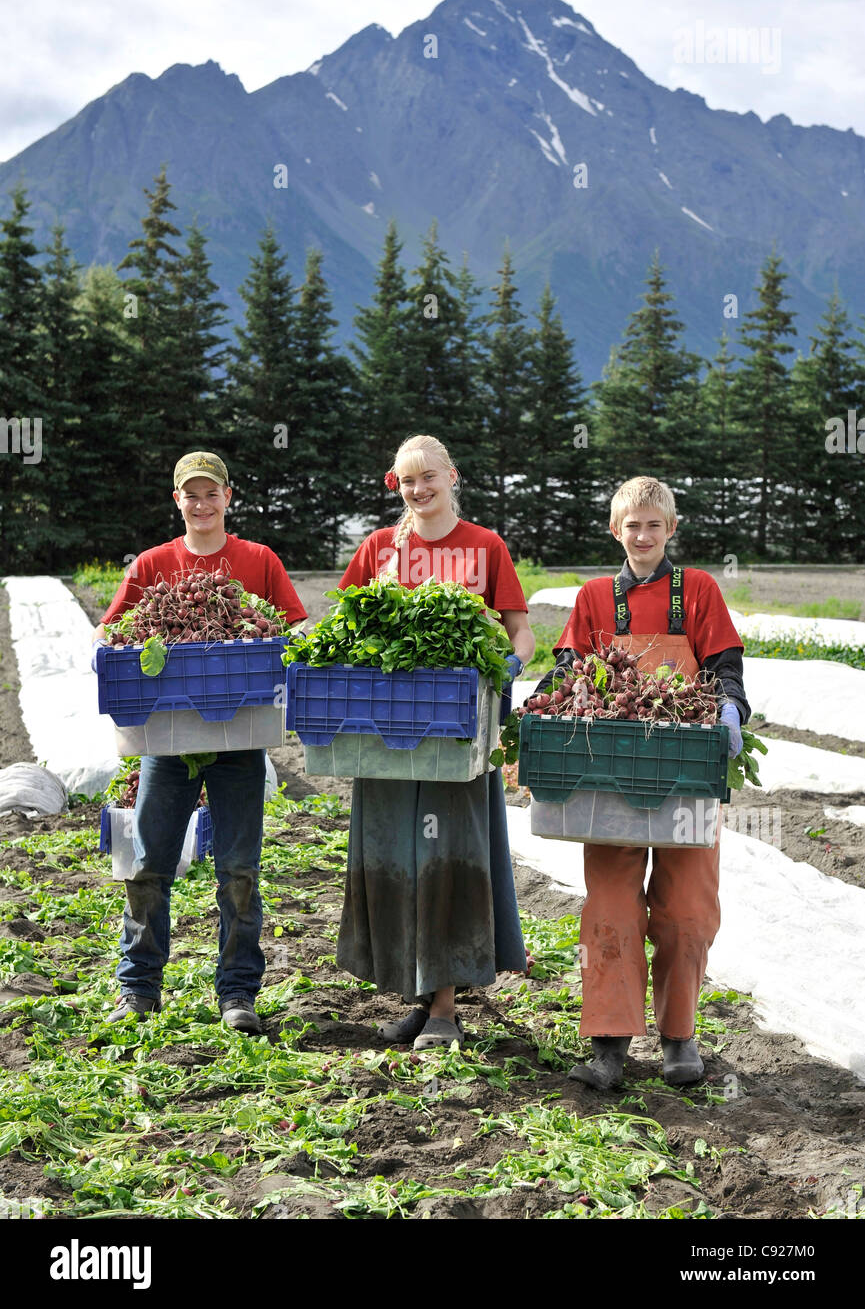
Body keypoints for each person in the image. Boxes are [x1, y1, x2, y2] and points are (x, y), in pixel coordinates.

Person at [532, 475, 750, 1089]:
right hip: (610, 776)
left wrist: (731, 708)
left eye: (655, 524)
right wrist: (536, 712)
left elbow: (724, 668)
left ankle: (679, 1036)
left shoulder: (698, 590)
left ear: (671, 529)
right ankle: (609, 1044)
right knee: (610, 906)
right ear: (615, 530)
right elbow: (570, 670)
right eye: (633, 525)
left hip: (684, 776)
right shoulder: (596, 597)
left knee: (685, 908)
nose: (644, 535)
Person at [91, 451, 307, 1034]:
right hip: (169, 739)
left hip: (240, 740)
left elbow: (296, 627)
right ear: (178, 500)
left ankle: (237, 993)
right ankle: (138, 989)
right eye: (192, 494)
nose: (203, 503)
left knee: (239, 870)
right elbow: (111, 634)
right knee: (147, 865)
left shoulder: (257, 561)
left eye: (213, 493)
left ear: (228, 497)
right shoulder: (153, 564)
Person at [335, 434, 535, 1049]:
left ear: (452, 476)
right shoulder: (378, 550)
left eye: (429, 477)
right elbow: (345, 630)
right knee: (396, 856)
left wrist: (509, 667)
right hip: (388, 737)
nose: (419, 490)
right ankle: (422, 998)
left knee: (447, 856)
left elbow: (519, 631)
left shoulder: (484, 546)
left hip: (456, 735)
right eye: (406, 481)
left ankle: (445, 1007)